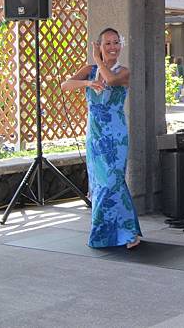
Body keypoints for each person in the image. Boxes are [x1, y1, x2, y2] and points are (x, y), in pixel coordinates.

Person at [61, 27, 142, 249]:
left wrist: (99, 59)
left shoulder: (123, 71)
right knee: (99, 184)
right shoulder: (90, 70)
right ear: (99, 44)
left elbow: (111, 81)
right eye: (107, 43)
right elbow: (65, 85)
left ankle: (128, 232)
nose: (113, 47)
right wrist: (87, 82)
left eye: (116, 42)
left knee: (112, 182)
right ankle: (113, 234)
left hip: (115, 135)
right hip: (95, 136)